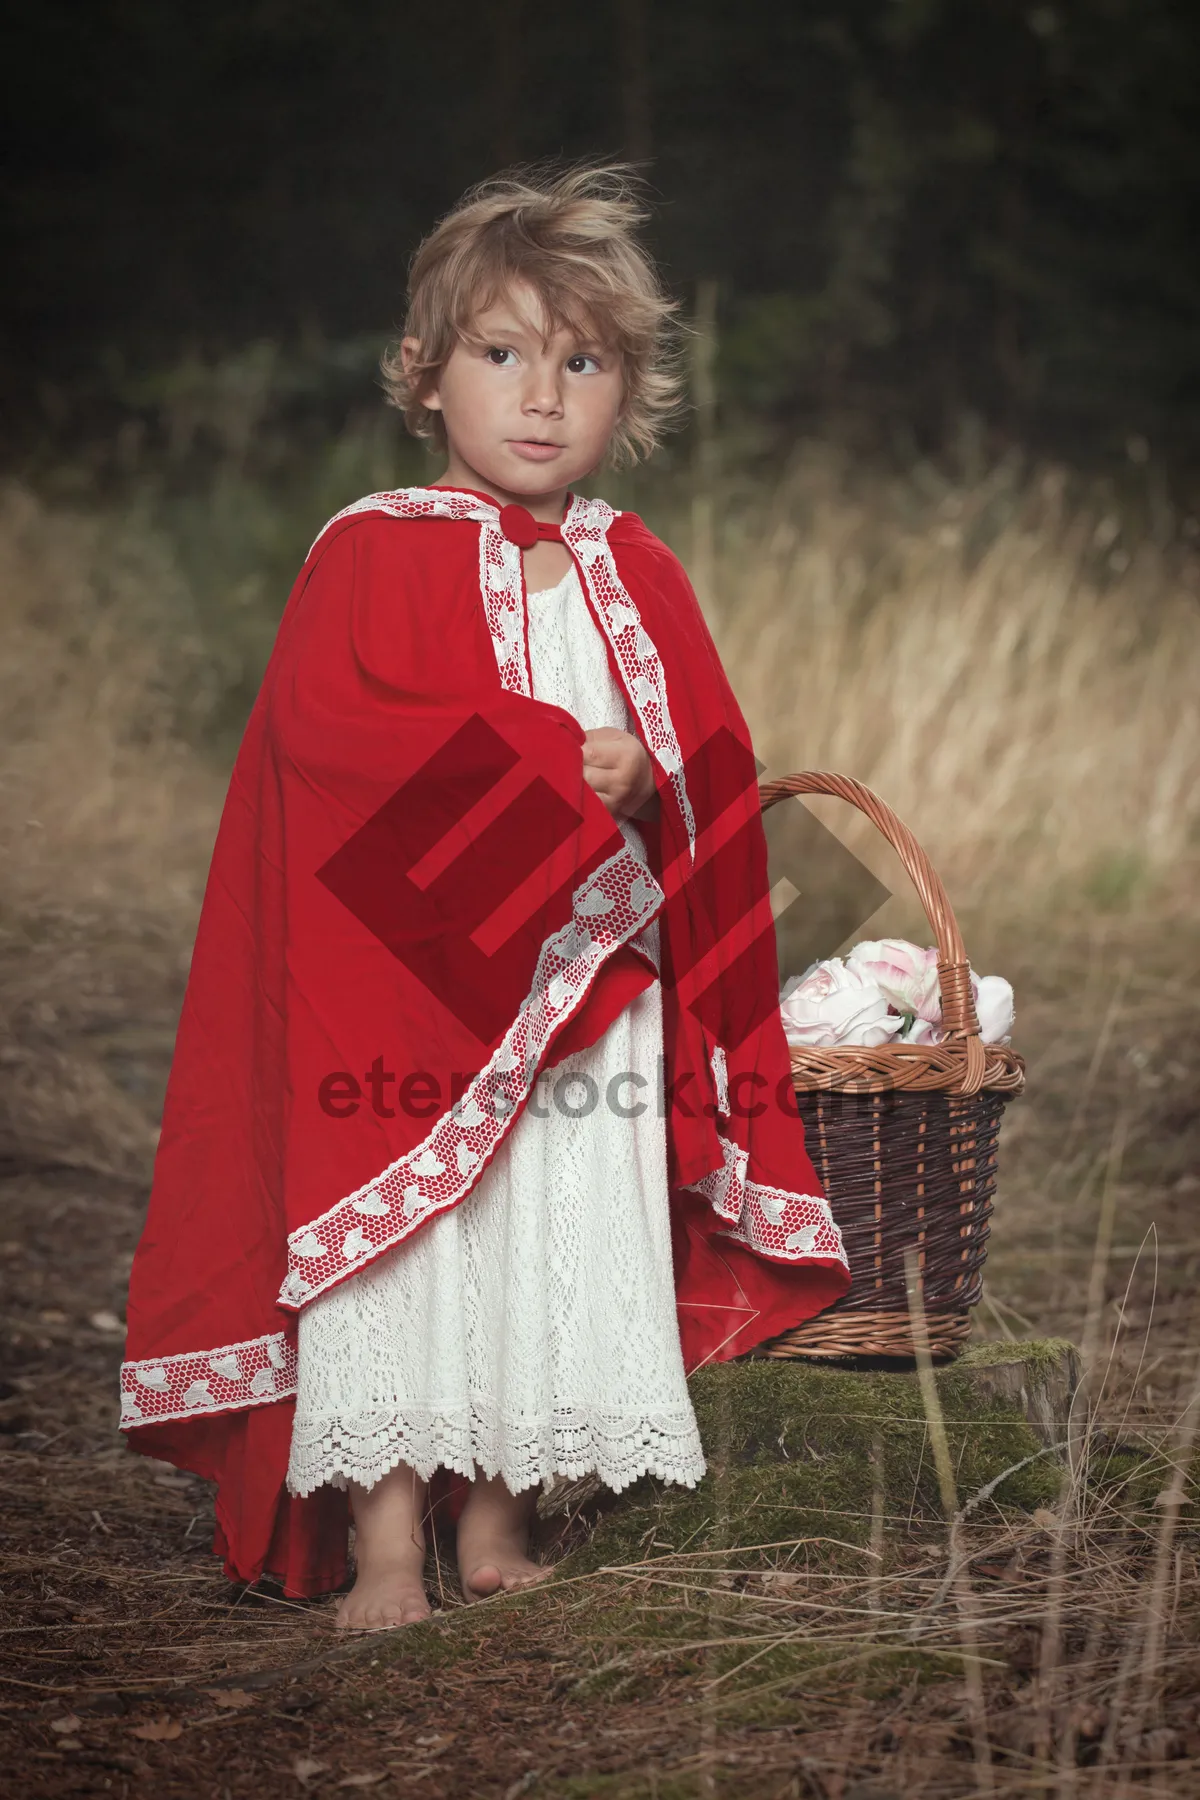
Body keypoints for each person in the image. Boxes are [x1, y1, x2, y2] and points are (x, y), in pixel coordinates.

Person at [120, 164, 849, 1630]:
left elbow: (713, 772)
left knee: (550, 1217)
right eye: (502, 354)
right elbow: (332, 739)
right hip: (406, 971)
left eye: (583, 363)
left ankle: (500, 1513)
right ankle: (389, 1542)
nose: (540, 397)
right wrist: (539, 766)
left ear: (627, 391)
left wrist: (647, 782)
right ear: (426, 374)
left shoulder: (636, 568)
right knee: (407, 1236)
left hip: (592, 978)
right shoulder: (370, 549)